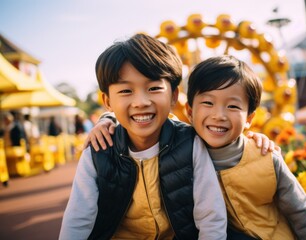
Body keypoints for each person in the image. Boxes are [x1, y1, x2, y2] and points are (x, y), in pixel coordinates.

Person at [87, 55, 306, 239]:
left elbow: (300, 211)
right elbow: (146, 117)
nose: (218, 115)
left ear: (250, 117)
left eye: (232, 107)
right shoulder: (180, 149)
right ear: (189, 112)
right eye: (208, 103)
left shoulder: (264, 155)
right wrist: (108, 120)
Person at [59, 33, 227, 240]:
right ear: (108, 101)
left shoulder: (189, 142)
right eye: (126, 91)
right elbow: (78, 218)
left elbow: (211, 215)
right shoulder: (99, 149)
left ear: (174, 96)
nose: (141, 102)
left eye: (154, 88)